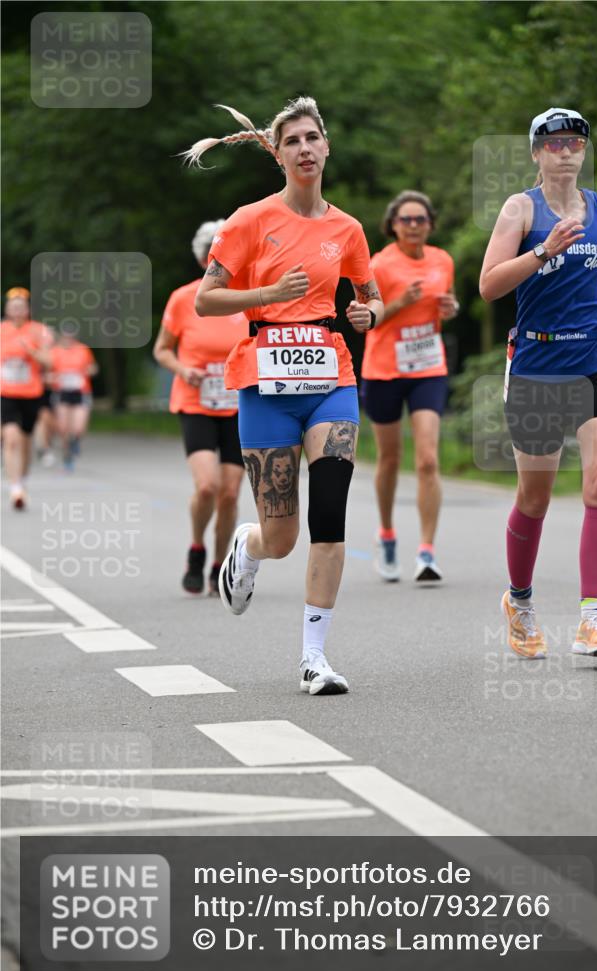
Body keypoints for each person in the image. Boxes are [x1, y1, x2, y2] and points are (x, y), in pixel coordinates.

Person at [183, 96, 383, 693]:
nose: (304, 148)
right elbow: (206, 300)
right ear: (278, 155)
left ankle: (313, 658)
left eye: (312, 138)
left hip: (330, 378)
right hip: (265, 381)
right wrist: (265, 294)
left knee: (330, 511)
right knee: (282, 537)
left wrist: (368, 314)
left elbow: (371, 296)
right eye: (292, 140)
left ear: (326, 147)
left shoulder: (347, 229)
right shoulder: (249, 220)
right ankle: (247, 547)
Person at [479, 107, 597, 660]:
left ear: (584, 152)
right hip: (539, 363)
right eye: (554, 143)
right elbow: (489, 285)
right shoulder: (520, 209)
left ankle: (592, 619)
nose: (565, 151)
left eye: (575, 142)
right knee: (534, 498)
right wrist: (543, 250)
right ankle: (519, 600)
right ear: (536, 153)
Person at [361, 190, 458, 583]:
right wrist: (400, 302)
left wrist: (450, 309)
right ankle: (386, 534)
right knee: (389, 459)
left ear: (430, 224)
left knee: (428, 460)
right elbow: (367, 319)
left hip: (428, 367)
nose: (414, 226)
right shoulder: (379, 265)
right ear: (393, 225)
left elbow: (444, 306)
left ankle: (427, 551)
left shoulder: (442, 260)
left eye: (421, 219)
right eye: (406, 219)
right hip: (384, 369)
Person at [154, 220, 246, 595]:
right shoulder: (183, 299)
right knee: (207, 487)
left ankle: (219, 565)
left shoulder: (246, 297)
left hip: (239, 404)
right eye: (211, 253)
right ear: (201, 259)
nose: (217, 260)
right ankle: (197, 548)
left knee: (230, 493)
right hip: (196, 402)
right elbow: (161, 349)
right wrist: (182, 369)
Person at [0, 287, 53, 508]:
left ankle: (22, 480)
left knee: (25, 441)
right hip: (6, 393)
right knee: (10, 438)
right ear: (7, 309)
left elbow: (50, 362)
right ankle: (15, 489)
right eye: (13, 307)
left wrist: (31, 352)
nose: (17, 310)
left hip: (31, 394)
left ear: (28, 310)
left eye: (21, 307)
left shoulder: (39, 331)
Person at [50, 327, 98, 470]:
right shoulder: (55, 351)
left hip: (81, 392)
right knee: (63, 428)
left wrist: (90, 371)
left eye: (71, 336)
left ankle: (76, 440)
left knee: (78, 427)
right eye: (66, 336)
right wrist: (52, 377)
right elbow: (46, 371)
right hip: (62, 392)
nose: (69, 339)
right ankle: (67, 454)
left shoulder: (83, 350)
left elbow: (93, 367)